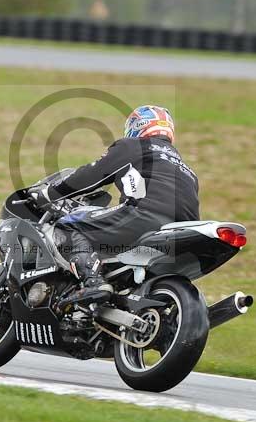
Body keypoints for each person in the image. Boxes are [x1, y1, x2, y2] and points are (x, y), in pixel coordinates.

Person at [28, 105, 199, 306]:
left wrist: (48, 193)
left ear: (138, 126)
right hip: (182, 231)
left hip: (144, 216)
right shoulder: (187, 170)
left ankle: (93, 283)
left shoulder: (134, 146)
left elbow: (91, 175)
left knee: (67, 225)